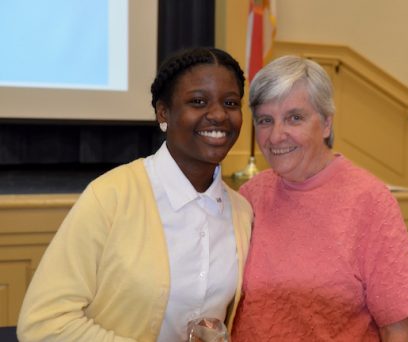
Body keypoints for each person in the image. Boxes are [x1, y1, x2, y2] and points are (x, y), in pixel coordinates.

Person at [17, 47, 253, 342]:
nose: (218, 114)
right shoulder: (111, 197)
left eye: (230, 103)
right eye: (198, 101)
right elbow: (43, 323)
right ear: (163, 113)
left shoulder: (241, 212)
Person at [231, 55, 408, 341]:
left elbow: (397, 329)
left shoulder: (369, 200)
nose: (276, 136)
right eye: (266, 120)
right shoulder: (251, 195)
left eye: (295, 118)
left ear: (327, 124)